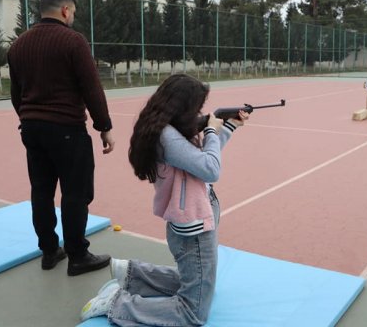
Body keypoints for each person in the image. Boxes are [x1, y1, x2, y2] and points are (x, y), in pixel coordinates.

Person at [79, 73, 248, 326]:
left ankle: (131, 276)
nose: (198, 112)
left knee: (202, 285)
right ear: (181, 106)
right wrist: (212, 129)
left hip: (196, 214)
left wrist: (229, 127)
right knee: (194, 312)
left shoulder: (170, 131)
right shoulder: (167, 137)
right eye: (196, 107)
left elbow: (200, 161)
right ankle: (116, 303)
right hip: (194, 225)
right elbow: (211, 168)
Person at [7, 0, 115, 276]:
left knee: (41, 191)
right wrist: (104, 126)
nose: (73, 17)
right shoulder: (73, 41)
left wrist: (29, 119)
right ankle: (78, 255)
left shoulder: (18, 45)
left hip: (31, 129)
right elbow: (91, 87)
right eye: (73, 12)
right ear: (66, 10)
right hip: (66, 129)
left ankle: (49, 251)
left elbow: (17, 94)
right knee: (75, 193)